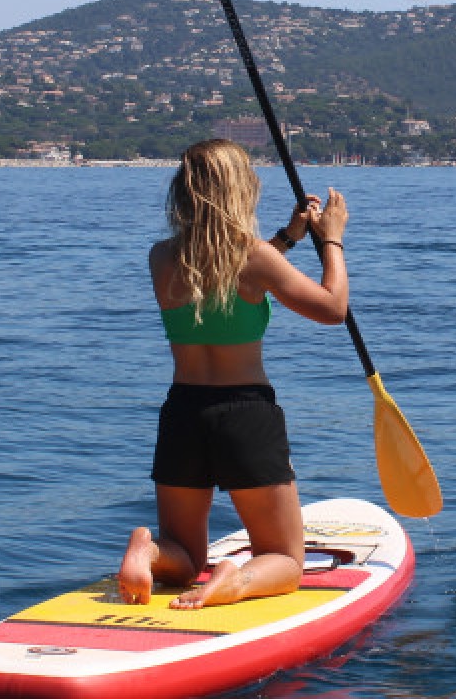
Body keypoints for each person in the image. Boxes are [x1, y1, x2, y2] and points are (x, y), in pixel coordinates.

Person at [117, 138, 349, 610]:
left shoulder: (162, 258)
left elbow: (224, 272)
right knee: (285, 559)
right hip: (245, 414)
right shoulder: (254, 258)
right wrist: (331, 239)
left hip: (183, 413)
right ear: (241, 190)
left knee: (185, 558)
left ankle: (151, 550)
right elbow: (332, 308)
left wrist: (287, 238)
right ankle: (236, 577)